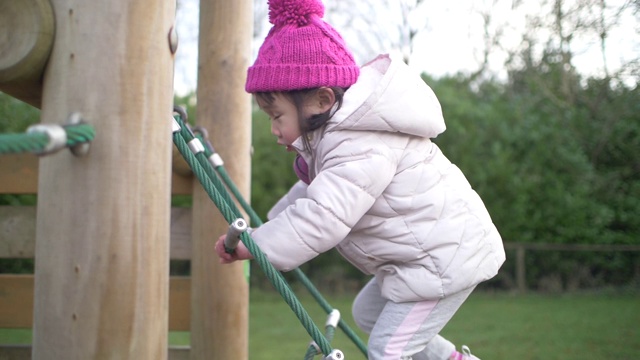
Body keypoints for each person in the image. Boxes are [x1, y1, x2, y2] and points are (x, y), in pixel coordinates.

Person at [214, 0, 506, 358]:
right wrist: (265, 229)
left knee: (387, 350)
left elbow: (323, 215)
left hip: (442, 259)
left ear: (321, 100)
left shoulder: (359, 143)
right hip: (422, 258)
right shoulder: (337, 140)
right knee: (367, 312)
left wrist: (255, 245)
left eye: (277, 116)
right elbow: (312, 193)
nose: (274, 129)